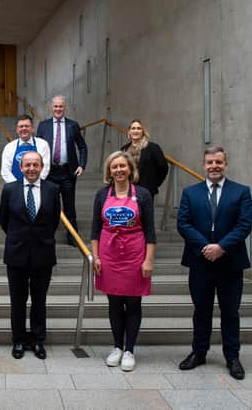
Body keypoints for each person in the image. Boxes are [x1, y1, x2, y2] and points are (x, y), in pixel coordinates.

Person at [177, 147, 252, 380]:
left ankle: (232, 357)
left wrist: (221, 247)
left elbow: (244, 225)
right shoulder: (191, 193)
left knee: (230, 312)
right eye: (210, 162)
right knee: (201, 310)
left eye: (218, 162)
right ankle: (199, 352)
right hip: (200, 262)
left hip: (230, 262)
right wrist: (205, 247)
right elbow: (183, 223)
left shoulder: (241, 192)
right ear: (204, 165)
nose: (214, 166)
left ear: (226, 164)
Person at [90, 151, 156, 372]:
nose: (118, 170)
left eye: (122, 166)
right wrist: (95, 256)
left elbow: (150, 231)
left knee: (134, 303)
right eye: (114, 167)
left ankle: (129, 350)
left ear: (130, 169)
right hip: (109, 256)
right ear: (109, 171)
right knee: (114, 303)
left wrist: (148, 260)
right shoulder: (101, 195)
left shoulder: (144, 195)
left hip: (135, 255)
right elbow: (95, 230)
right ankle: (117, 347)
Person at [0, 151, 60, 360]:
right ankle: (18, 340)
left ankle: (37, 339)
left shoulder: (53, 189)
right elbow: (3, 220)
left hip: (43, 253)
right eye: (27, 165)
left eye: (35, 165)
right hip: (16, 254)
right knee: (17, 301)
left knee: (39, 300)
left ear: (42, 167)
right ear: (21, 168)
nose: (31, 168)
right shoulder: (9, 189)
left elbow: (54, 221)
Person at [36, 95, 87, 246]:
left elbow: (82, 147)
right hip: (49, 173)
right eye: (55, 106)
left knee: (69, 206)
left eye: (61, 106)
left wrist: (82, 165)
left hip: (67, 173)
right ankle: (47, 237)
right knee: (49, 205)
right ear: (51, 107)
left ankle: (73, 238)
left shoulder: (73, 125)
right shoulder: (43, 126)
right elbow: (38, 148)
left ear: (65, 108)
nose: (58, 109)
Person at [121, 119, 168, 200]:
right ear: (129, 131)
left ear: (143, 131)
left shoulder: (153, 148)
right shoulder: (124, 149)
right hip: (127, 190)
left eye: (139, 128)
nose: (136, 131)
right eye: (133, 128)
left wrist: (154, 183)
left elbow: (163, 168)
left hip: (146, 190)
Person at [0, 114, 50, 183]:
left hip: (37, 187)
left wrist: (34, 184)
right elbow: (5, 171)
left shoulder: (43, 144)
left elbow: (45, 168)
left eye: (27, 126)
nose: (24, 128)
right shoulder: (9, 147)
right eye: (21, 126)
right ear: (17, 130)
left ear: (32, 128)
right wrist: (17, 186)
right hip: (15, 188)